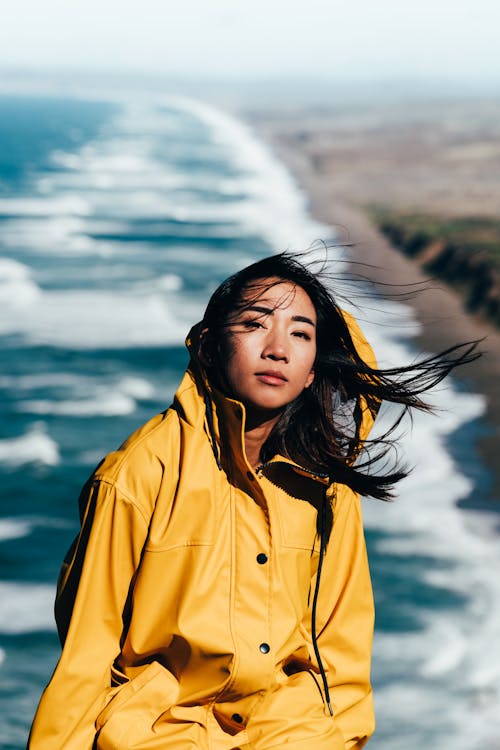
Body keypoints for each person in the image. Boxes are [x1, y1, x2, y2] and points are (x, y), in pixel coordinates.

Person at [28, 253, 478, 750]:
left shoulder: (327, 487)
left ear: (312, 371)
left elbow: (342, 649)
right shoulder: (140, 474)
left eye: (300, 334)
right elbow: (86, 657)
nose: (277, 349)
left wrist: (342, 738)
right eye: (253, 324)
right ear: (209, 346)